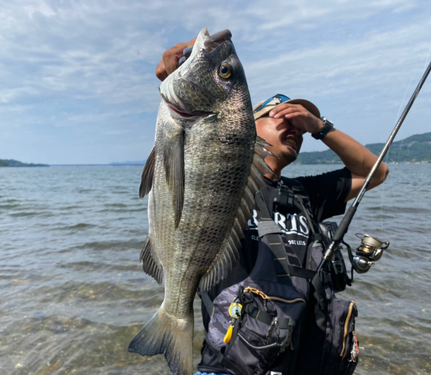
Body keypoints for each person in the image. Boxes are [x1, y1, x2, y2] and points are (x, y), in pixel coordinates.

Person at [156, 39, 389, 375]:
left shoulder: (306, 193)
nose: (293, 126)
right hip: (232, 365)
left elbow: (375, 173)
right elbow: (186, 146)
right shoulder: (222, 181)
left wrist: (321, 128)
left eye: (299, 122)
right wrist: (181, 83)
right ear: (246, 124)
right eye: (280, 115)